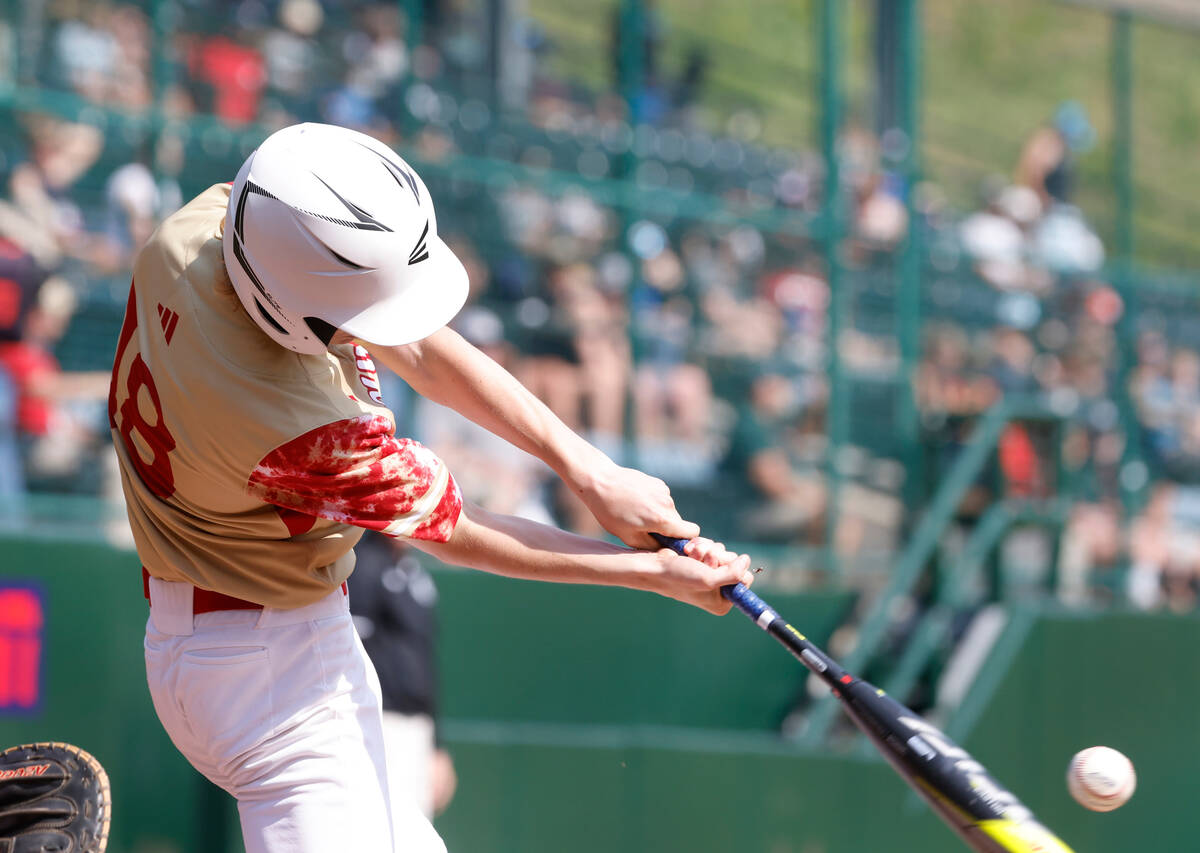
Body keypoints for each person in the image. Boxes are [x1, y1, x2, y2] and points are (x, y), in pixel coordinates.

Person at [110, 122, 753, 853]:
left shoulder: (200, 228)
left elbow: (416, 343)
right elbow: (463, 531)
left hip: (226, 643)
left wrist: (592, 471)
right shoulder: (291, 422)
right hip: (275, 680)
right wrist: (653, 573)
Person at [349, 531, 456, 820]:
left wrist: (436, 747)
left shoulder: (414, 574)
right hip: (376, 723)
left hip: (415, 727)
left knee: (415, 830)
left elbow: (424, 664)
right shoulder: (361, 564)